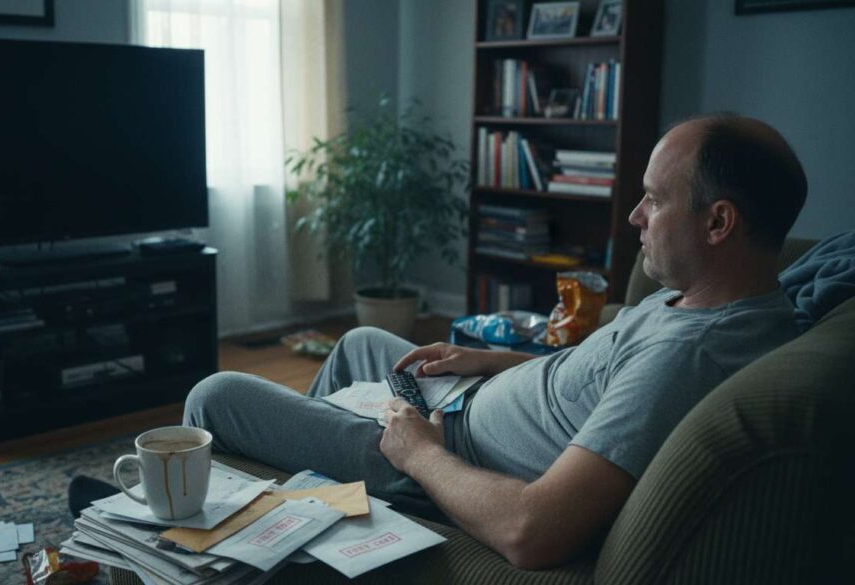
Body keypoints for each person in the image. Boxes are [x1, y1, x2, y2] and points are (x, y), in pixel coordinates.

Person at [73, 114, 808, 569]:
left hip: (448, 458)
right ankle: (292, 520)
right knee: (365, 341)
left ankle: (209, 532)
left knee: (215, 392)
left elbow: (532, 530)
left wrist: (416, 451)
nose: (635, 216)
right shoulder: (723, 304)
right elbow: (599, 376)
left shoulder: (691, 354)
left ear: (718, 223)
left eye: (655, 198)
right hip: (467, 402)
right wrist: (496, 361)